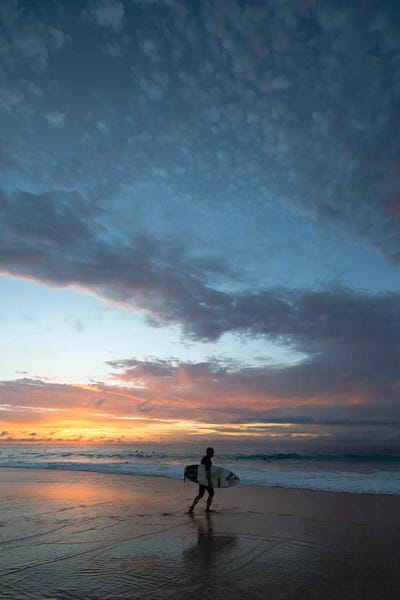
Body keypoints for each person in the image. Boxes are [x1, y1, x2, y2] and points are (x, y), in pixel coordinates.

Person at [189, 447, 215, 513]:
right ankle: (207, 509)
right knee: (211, 494)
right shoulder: (208, 461)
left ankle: (192, 507)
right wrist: (209, 481)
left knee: (200, 495)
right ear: (209, 453)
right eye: (212, 453)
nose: (213, 454)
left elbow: (201, 470)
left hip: (201, 480)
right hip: (205, 481)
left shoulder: (203, 459)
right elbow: (207, 471)